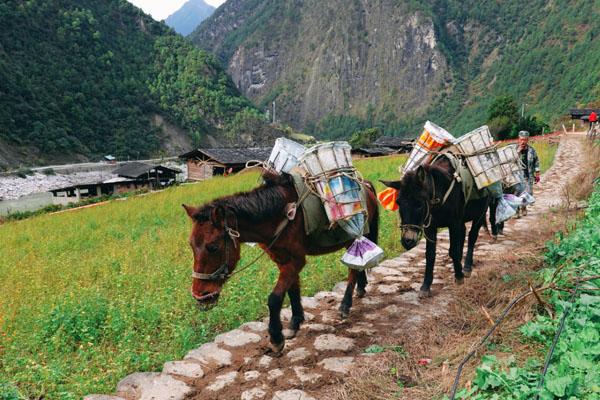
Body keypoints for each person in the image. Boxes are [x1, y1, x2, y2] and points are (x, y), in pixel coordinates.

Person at [516, 130, 540, 216]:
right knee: (516, 193)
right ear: (518, 139)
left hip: (528, 176)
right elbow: (510, 160)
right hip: (516, 177)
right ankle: (516, 210)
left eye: (525, 140)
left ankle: (524, 207)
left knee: (527, 193)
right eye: (521, 139)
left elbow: (536, 161)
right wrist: (518, 151)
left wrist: (537, 173)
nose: (523, 142)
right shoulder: (514, 150)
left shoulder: (531, 150)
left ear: (527, 140)